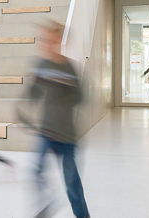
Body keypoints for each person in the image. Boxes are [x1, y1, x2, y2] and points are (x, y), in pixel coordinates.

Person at [27, 21, 89, 218]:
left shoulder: (70, 67)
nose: (46, 45)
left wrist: (61, 87)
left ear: (60, 42)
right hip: (46, 131)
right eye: (44, 41)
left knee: (71, 182)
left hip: (66, 136)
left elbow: (80, 98)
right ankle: (46, 205)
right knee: (36, 172)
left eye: (51, 41)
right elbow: (34, 94)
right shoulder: (41, 66)